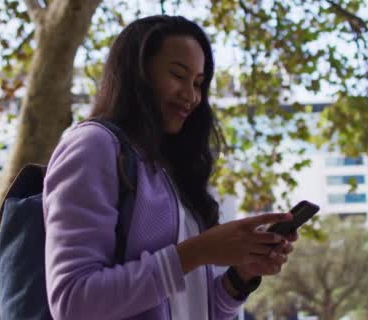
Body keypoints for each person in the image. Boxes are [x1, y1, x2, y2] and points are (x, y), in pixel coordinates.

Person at [42, 15, 298, 320]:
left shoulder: (175, 170)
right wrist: (197, 252)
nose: (191, 96)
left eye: (199, 84)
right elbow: (73, 302)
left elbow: (195, 309)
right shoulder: (94, 145)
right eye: (178, 75)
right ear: (137, 74)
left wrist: (240, 277)